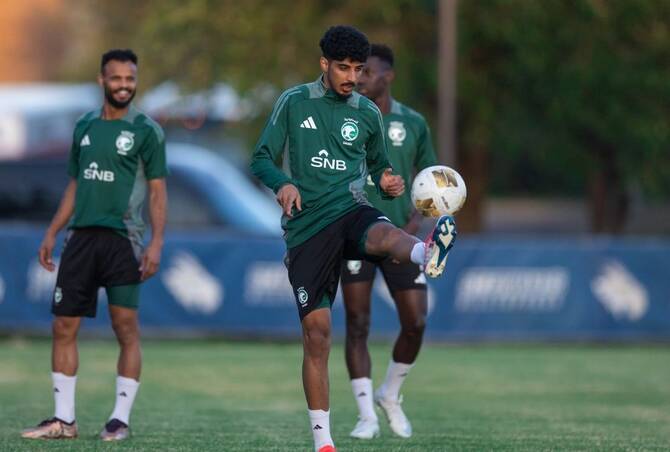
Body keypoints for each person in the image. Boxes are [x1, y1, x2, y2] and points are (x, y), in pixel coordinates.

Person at [250, 26, 456, 452]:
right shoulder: (294, 101)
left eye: (358, 69)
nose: (352, 77)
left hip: (351, 208)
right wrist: (282, 184)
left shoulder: (367, 113)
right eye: (343, 68)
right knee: (318, 334)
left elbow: (380, 170)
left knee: (383, 234)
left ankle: (426, 252)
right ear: (324, 64)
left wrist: (388, 183)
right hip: (308, 227)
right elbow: (262, 157)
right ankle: (323, 442)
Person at [21, 49, 168, 441]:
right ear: (102, 80)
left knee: (125, 327)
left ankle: (119, 419)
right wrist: (52, 231)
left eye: (130, 79)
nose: (124, 85)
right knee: (63, 325)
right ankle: (63, 420)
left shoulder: (147, 131)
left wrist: (156, 243)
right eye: (116, 78)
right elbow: (76, 183)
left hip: (124, 240)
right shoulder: (84, 125)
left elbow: (158, 192)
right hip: (80, 239)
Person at [340, 43, 439, 440]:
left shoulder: (412, 123)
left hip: (400, 237)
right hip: (355, 235)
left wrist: (419, 218)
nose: (360, 78)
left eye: (368, 71)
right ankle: (366, 415)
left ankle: (390, 394)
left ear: (389, 76)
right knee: (357, 322)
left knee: (415, 322)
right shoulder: (344, 117)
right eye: (356, 71)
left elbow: (432, 178)